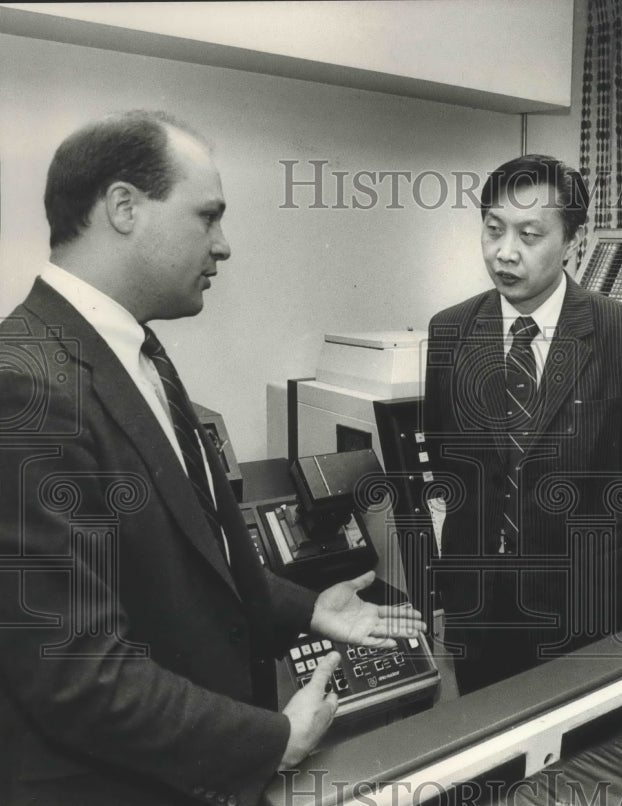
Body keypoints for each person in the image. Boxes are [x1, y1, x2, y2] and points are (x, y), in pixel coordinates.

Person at [0, 111, 425, 806]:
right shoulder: (23, 381)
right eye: (208, 217)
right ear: (124, 208)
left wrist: (309, 606)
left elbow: (192, 557)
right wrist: (271, 741)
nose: (223, 246)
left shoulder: (138, 352)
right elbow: (73, 671)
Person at [423, 155, 622, 694]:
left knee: (585, 762)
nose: (504, 252)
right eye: (493, 230)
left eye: (529, 234)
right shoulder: (449, 332)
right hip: (481, 609)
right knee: (488, 761)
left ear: (571, 243)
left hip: (587, 607)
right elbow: (450, 463)